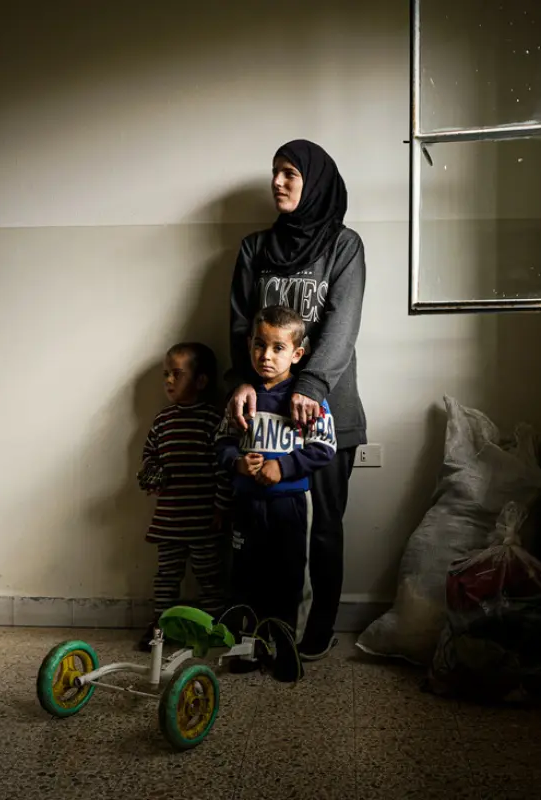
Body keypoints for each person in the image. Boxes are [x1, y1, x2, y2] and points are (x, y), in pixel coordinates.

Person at [225, 140, 366, 660]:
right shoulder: (254, 249)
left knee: (322, 528)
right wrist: (241, 378)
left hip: (326, 411)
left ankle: (315, 631)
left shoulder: (344, 246)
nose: (279, 183)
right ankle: (259, 630)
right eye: (275, 173)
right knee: (259, 529)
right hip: (262, 413)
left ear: (315, 182)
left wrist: (309, 386)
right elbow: (242, 323)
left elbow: (342, 326)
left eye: (290, 174)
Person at [215, 306, 337, 681]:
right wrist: (237, 462)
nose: (265, 356)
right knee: (245, 578)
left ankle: (288, 649)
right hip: (247, 505)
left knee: (290, 579)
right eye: (258, 345)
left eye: (278, 348)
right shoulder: (242, 399)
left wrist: (282, 467)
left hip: (291, 505)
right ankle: (247, 648)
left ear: (297, 354)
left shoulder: (306, 400)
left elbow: (325, 446)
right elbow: (221, 442)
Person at [136, 342, 231, 651]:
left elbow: (222, 468)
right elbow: (149, 457)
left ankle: (214, 627)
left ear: (201, 381)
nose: (168, 381)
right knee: (166, 576)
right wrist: (152, 477)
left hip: (204, 519)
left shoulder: (212, 420)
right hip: (169, 520)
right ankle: (161, 627)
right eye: (166, 375)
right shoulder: (162, 421)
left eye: (177, 374)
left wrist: (220, 508)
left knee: (209, 577)